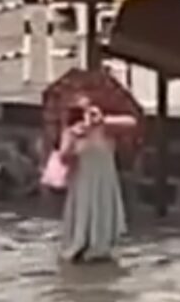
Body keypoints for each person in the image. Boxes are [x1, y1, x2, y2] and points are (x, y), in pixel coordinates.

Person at [57, 94, 137, 263]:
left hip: (104, 179)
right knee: (83, 212)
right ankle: (80, 245)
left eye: (88, 109)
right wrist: (75, 138)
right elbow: (63, 158)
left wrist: (102, 121)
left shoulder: (105, 127)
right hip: (82, 181)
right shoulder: (70, 131)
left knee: (103, 209)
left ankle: (101, 247)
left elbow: (131, 123)